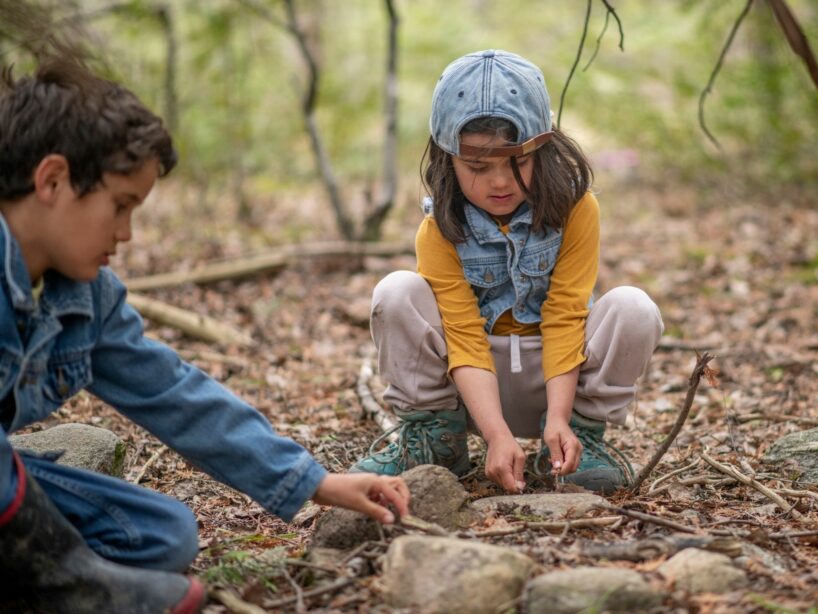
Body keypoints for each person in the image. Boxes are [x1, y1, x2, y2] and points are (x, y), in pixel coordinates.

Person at [0, 60, 410, 613]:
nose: (124, 234)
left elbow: (174, 394)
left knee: (160, 534)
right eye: (119, 206)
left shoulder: (83, 297)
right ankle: (69, 583)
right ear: (52, 180)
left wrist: (315, 482)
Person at [352, 50, 663, 495]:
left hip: (558, 380)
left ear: (543, 150)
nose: (499, 182)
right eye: (478, 166)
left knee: (634, 307)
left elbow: (565, 314)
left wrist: (558, 417)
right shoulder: (438, 227)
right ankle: (438, 441)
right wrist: (497, 435)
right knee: (396, 291)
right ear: (448, 160)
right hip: (472, 388)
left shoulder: (577, 209)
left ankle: (580, 438)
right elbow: (461, 334)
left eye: (516, 163)